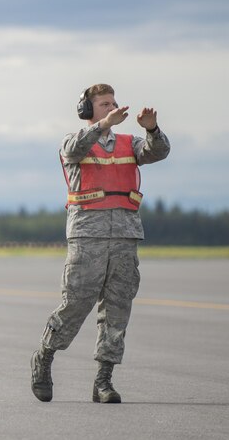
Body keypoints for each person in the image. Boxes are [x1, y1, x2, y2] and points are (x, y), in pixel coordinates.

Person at [31, 83, 170, 403]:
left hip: (124, 236)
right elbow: (72, 152)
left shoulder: (128, 143)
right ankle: (45, 356)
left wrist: (152, 130)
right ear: (87, 110)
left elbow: (157, 152)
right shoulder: (74, 141)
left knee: (118, 308)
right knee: (75, 304)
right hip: (87, 236)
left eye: (114, 103)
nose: (112, 107)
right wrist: (103, 125)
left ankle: (104, 380)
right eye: (104, 103)